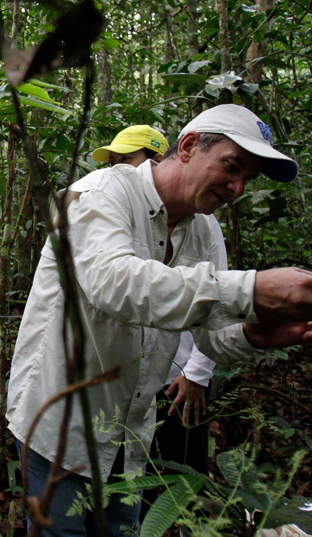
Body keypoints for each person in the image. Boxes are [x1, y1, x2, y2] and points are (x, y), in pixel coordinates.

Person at [6, 104, 312, 537]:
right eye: (232, 166)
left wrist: (256, 335)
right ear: (187, 147)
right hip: (60, 420)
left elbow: (210, 339)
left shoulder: (204, 231)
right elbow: (114, 284)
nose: (238, 188)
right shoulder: (97, 194)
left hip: (129, 431)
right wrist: (250, 289)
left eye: (250, 178)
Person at [92, 124, 220, 475]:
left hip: (178, 378)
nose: (118, 169)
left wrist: (197, 374)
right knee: (135, 473)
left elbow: (215, 299)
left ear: (158, 160)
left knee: (182, 472)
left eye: (127, 160)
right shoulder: (110, 206)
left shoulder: (202, 225)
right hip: (126, 382)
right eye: (113, 161)